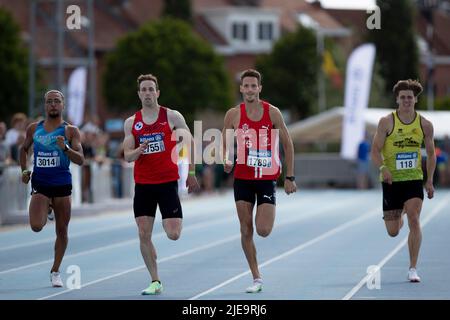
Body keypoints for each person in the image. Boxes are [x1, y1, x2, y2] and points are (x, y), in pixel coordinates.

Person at [123, 74, 199, 295]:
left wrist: (191, 171)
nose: (147, 93)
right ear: (139, 94)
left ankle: (157, 254)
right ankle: (155, 280)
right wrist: (139, 150)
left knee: (173, 234)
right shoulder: (131, 122)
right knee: (143, 233)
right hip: (144, 185)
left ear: (157, 93)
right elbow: (127, 156)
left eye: (151, 89)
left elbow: (190, 141)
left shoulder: (171, 116)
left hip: (167, 183)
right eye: (143, 89)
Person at [222, 69, 297, 293]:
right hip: (242, 179)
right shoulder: (233, 115)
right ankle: (256, 277)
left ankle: (266, 214)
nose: (250, 89)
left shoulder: (272, 113)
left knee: (263, 230)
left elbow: (288, 145)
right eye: (246, 86)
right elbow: (225, 143)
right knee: (246, 229)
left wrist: (290, 177)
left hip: (266, 179)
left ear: (259, 88)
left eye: (254, 86)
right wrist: (226, 159)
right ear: (241, 89)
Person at [371, 79, 436, 282]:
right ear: (397, 99)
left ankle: (412, 268)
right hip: (391, 181)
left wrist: (430, 180)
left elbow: (432, 154)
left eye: (410, 97)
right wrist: (383, 167)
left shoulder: (424, 124)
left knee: (414, 220)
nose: (407, 100)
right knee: (393, 231)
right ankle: (402, 210)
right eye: (403, 97)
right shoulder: (386, 122)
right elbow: (375, 150)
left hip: (413, 179)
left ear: (415, 99)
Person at [19, 90, 84, 287]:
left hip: (62, 184)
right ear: (45, 105)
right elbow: (23, 149)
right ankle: (46, 206)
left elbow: (81, 160)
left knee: (62, 231)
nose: (53, 104)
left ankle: (55, 270)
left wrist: (65, 148)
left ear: (63, 105)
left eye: (57, 101)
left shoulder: (71, 131)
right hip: (41, 183)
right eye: (49, 101)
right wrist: (24, 170)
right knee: (36, 226)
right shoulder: (34, 128)